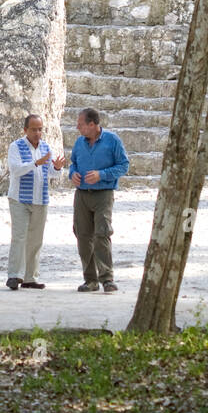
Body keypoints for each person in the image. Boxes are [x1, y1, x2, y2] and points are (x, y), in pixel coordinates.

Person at [69, 108, 129, 294]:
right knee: (82, 235)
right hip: (82, 195)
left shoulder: (112, 141)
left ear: (92, 125)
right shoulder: (79, 142)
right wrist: (73, 174)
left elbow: (124, 165)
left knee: (101, 233)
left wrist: (101, 175)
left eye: (81, 124)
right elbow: (73, 164)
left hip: (103, 194)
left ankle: (107, 278)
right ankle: (90, 280)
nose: (78, 127)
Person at [5, 114, 65, 290]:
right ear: (25, 130)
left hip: (40, 198)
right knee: (19, 237)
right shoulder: (15, 146)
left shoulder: (46, 147)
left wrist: (57, 168)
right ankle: (14, 275)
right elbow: (16, 170)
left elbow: (52, 174)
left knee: (36, 239)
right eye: (33, 129)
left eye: (40, 129)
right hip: (19, 199)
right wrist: (35, 163)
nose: (37, 133)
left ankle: (30, 277)